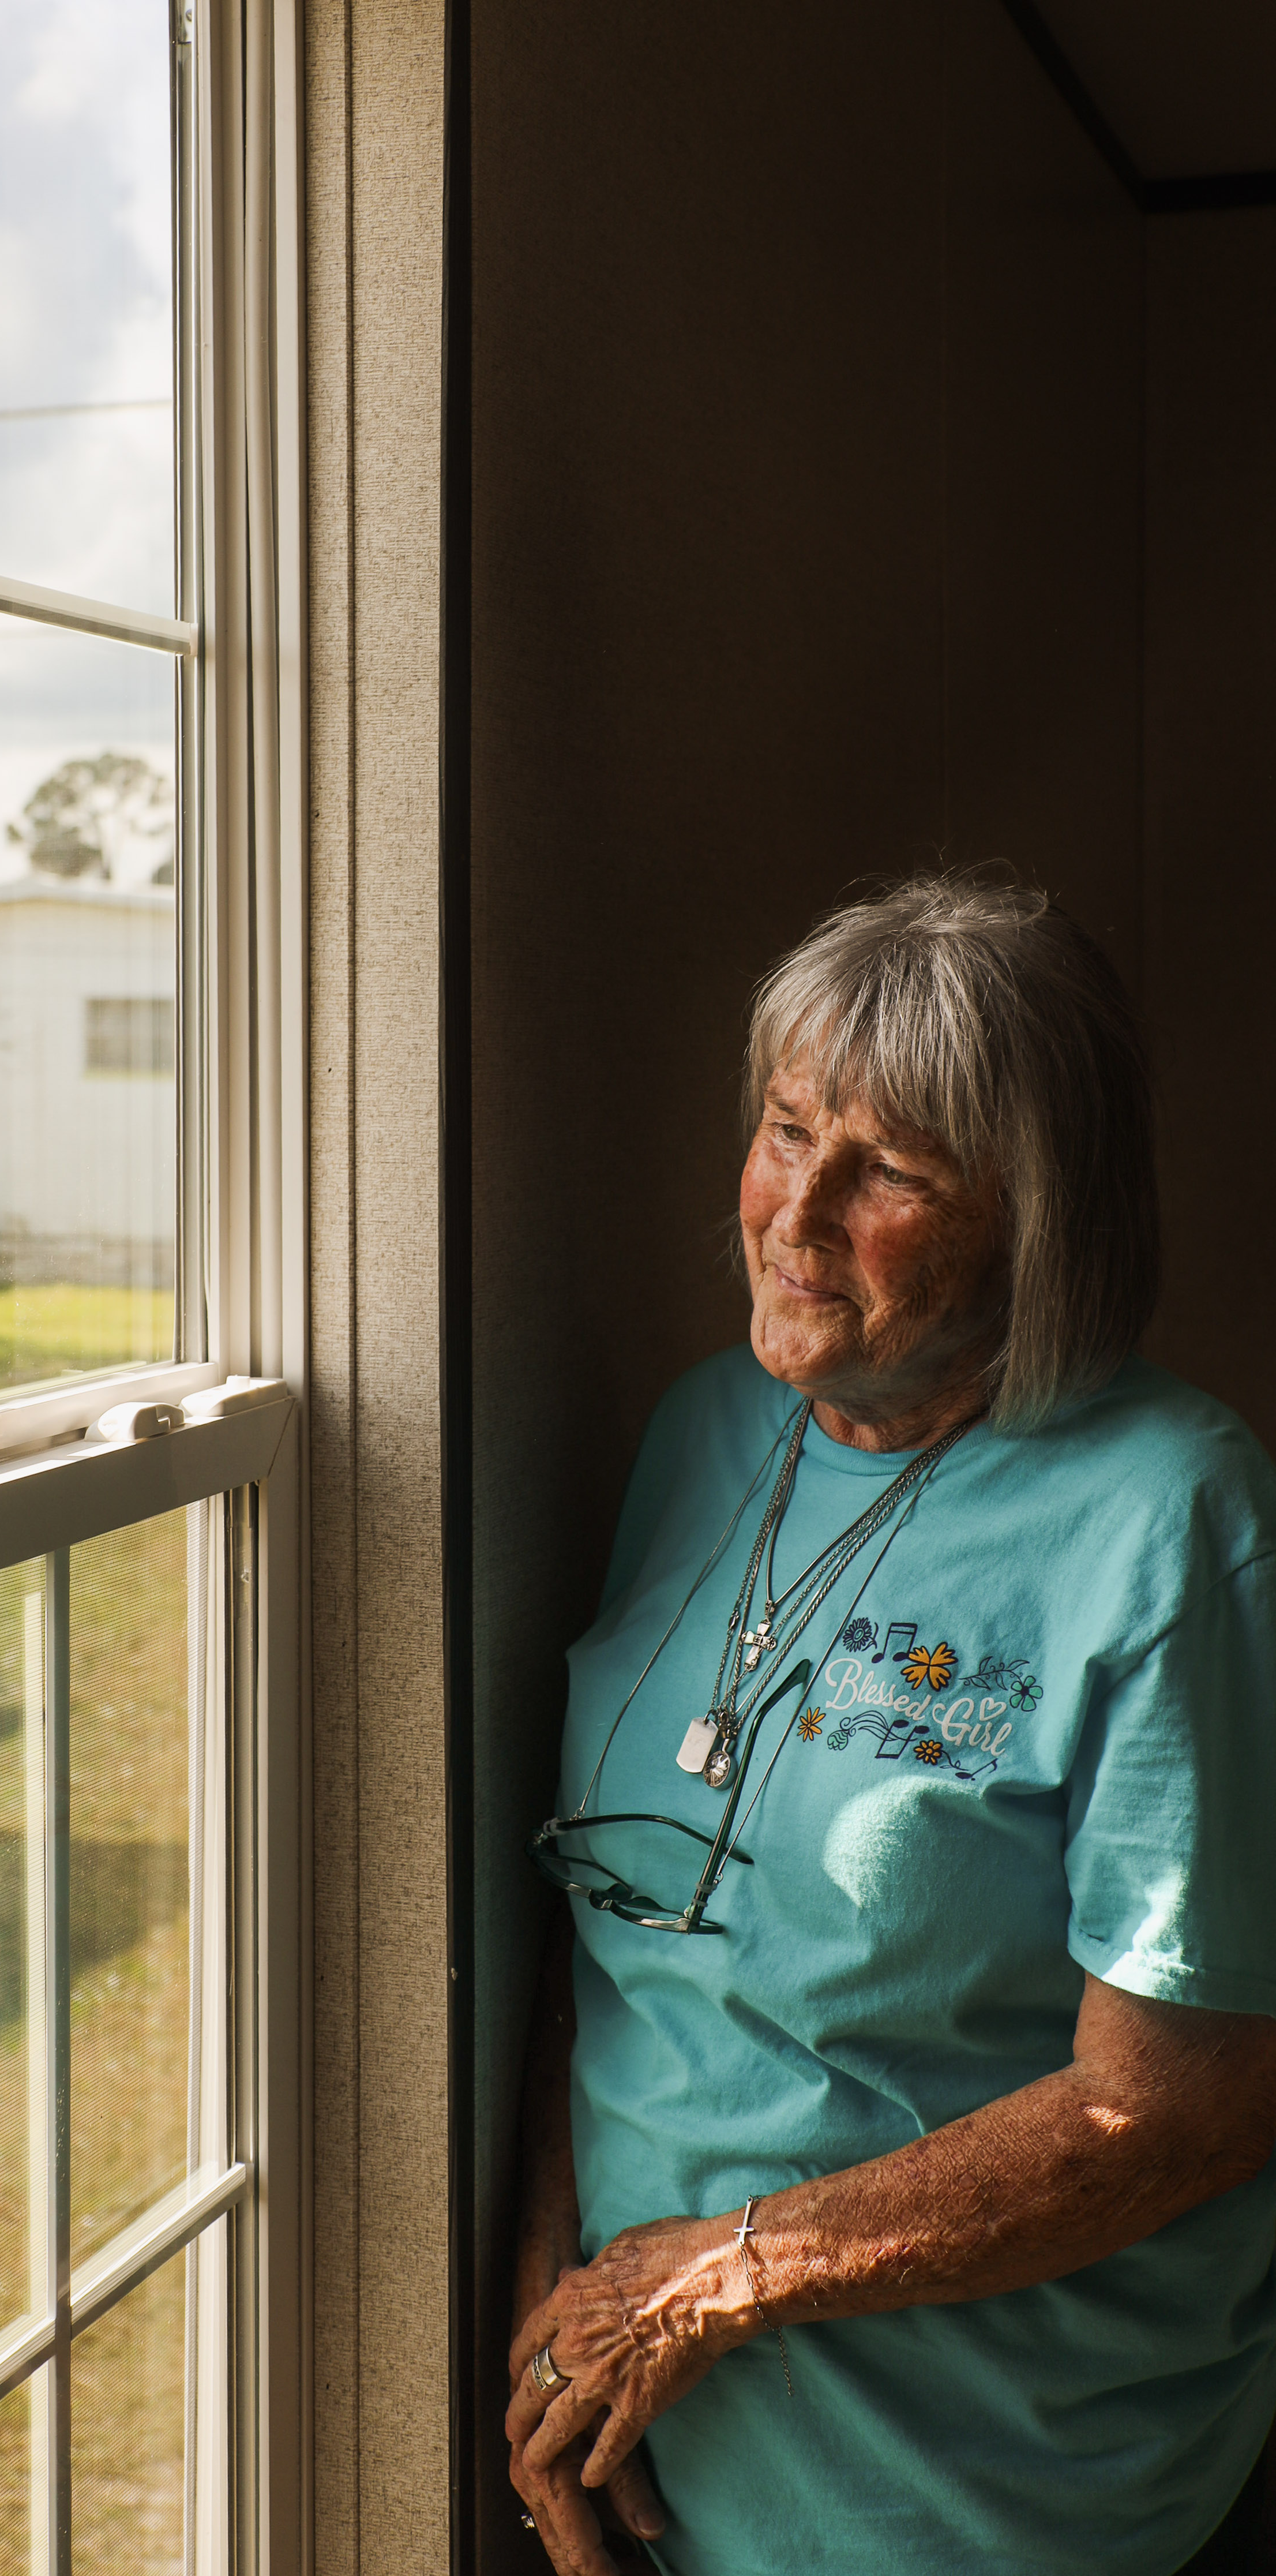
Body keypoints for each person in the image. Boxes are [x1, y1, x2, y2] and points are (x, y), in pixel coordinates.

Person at [506, 876, 1276, 2576]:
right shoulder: (705, 1432)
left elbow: (1185, 2104)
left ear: (1039, 1224)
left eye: (894, 1176)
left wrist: (718, 2276)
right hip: (665, 2467)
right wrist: (558, 2287)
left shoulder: (1173, 1516)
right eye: (787, 1133)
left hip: (995, 2499)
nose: (795, 1213)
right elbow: (630, 1898)